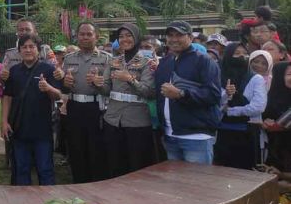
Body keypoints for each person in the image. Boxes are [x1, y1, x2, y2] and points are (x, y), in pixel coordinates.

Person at [154, 21, 221, 165]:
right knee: (175, 186)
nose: (174, 39)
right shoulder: (165, 62)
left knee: (196, 185)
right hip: (170, 136)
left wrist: (181, 94)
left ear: (190, 37)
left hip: (196, 137)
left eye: (179, 35)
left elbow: (213, 95)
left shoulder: (204, 61)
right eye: (170, 35)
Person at [1, 33, 62, 185]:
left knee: (45, 169)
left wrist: (48, 88)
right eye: (24, 47)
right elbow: (7, 97)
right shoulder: (14, 71)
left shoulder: (48, 70)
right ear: (19, 50)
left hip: (42, 129)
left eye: (31, 47)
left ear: (38, 50)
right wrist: (3, 122)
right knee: (21, 169)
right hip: (19, 128)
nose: (28, 50)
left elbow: (58, 96)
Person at [96, 23, 155, 178]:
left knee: (136, 166)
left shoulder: (147, 63)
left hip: (136, 122)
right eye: (121, 36)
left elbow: (149, 91)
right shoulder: (114, 62)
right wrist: (97, 84)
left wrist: (130, 79)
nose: (124, 39)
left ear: (136, 38)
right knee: (114, 164)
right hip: (113, 119)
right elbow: (107, 90)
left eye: (128, 35)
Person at [62, 22, 111, 183]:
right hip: (75, 107)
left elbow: (111, 88)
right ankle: (79, 183)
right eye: (82, 34)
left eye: (89, 34)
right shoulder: (68, 59)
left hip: (96, 108)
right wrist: (65, 83)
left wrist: (99, 83)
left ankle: (97, 185)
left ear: (96, 36)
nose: (85, 37)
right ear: (77, 37)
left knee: (96, 148)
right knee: (76, 148)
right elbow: (64, 87)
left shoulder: (106, 59)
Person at [215, 44, 268, 169]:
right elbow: (214, 104)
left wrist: (232, 111)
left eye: (244, 53)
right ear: (228, 56)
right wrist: (226, 95)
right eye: (237, 53)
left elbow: (258, 107)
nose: (242, 57)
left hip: (248, 133)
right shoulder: (218, 78)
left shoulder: (255, 79)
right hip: (223, 132)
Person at [263, 62, 291, 172]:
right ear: (279, 76)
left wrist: (272, 126)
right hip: (276, 152)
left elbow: (275, 126)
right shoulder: (268, 99)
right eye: (289, 74)